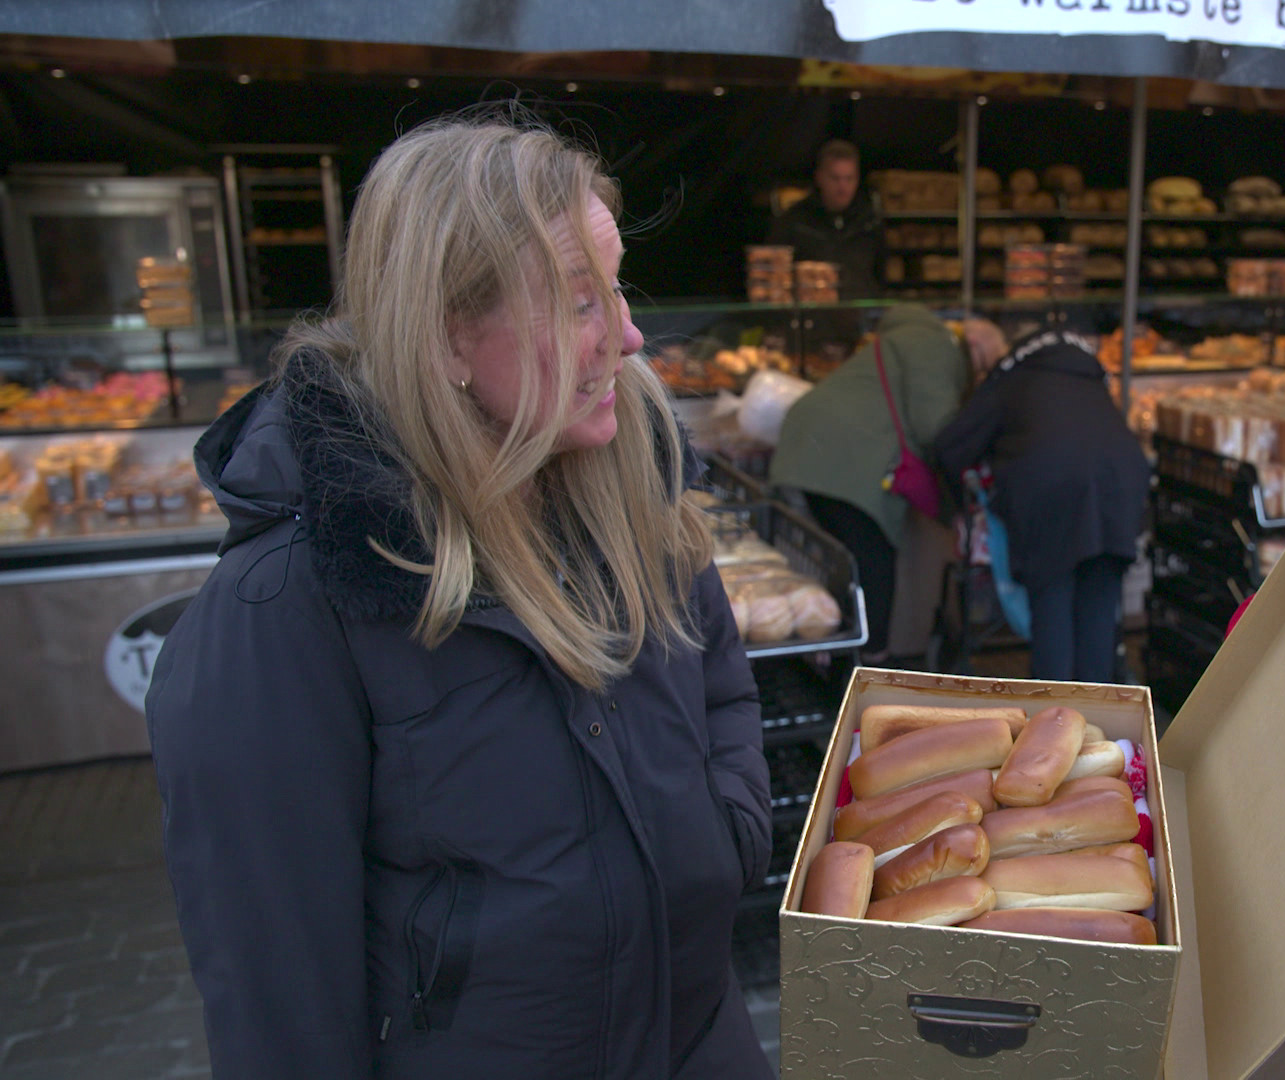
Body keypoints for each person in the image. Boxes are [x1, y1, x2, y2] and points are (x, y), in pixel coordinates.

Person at [145, 114, 774, 1079]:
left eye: (618, 288)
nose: (628, 335)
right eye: (578, 302)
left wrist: (722, 831)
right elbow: (279, 998)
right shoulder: (288, 607)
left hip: (702, 1044)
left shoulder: (634, 493)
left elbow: (722, 689)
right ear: (443, 337)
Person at [932, 321, 1150, 683]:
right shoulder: (1089, 376)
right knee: (1099, 605)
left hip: (1051, 492)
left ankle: (1053, 709)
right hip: (1121, 483)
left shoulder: (1011, 379)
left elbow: (950, 447)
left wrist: (956, 506)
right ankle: (1095, 710)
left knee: (1052, 602)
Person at [770, 303, 968, 664]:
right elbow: (934, 425)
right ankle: (870, 662)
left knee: (838, 560)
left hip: (810, 446)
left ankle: (839, 657)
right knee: (873, 558)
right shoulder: (933, 341)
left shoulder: (895, 339)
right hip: (844, 457)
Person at [767, 138, 886, 301]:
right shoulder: (794, 222)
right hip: (811, 311)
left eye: (849, 179)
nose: (843, 187)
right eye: (835, 178)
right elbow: (776, 281)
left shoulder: (870, 222)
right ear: (819, 177)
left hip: (861, 309)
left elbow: (880, 276)